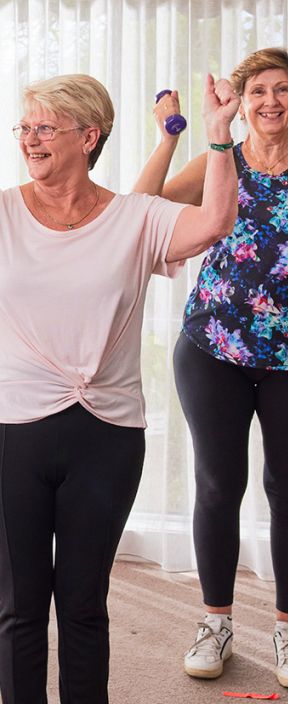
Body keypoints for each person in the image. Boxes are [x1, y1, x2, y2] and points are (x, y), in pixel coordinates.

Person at [0, 72, 239, 703]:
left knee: (84, 604)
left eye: (44, 128)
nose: (29, 140)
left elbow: (216, 221)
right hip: (3, 429)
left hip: (105, 432)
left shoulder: (137, 218)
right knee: (21, 603)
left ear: (88, 135)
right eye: (24, 128)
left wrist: (217, 136)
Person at [133, 47, 288, 687]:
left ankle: (285, 629)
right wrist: (174, 136)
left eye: (284, 90)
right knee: (218, 487)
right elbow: (136, 215)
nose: (272, 102)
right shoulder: (218, 160)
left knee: (287, 492)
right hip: (212, 349)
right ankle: (216, 622)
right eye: (259, 92)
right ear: (239, 101)